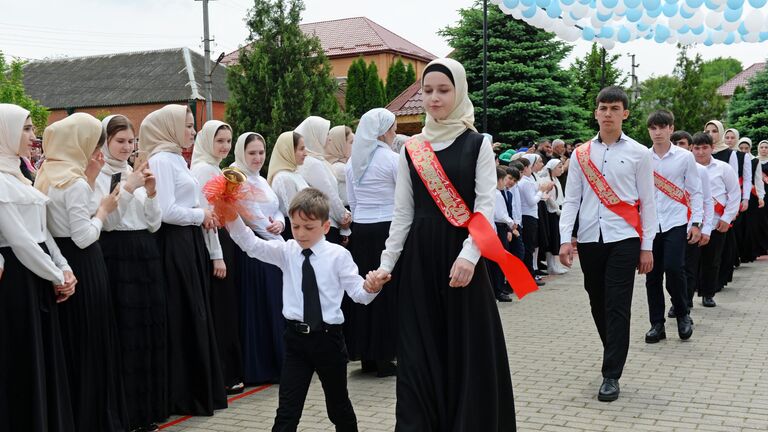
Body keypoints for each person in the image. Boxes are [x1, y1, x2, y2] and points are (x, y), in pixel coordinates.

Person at [367, 58, 517, 430]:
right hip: (419, 260)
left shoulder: (478, 144)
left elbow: (485, 206)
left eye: (443, 90)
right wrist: (387, 264)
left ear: (459, 91)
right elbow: (403, 212)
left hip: (462, 257)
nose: (434, 98)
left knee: (465, 352)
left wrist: (469, 256)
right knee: (418, 353)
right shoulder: (411, 149)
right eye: (428, 90)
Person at [226, 188, 384, 432]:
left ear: (325, 227)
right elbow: (251, 244)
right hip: (295, 342)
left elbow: (359, 295)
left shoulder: (338, 256)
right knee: (287, 411)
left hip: (329, 340)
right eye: (296, 226)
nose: (300, 233)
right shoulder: (287, 251)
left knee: (338, 407)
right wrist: (229, 212)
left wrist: (372, 287)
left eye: (308, 227)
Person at [559, 86, 658, 402]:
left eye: (615, 108)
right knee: (597, 300)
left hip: (624, 237)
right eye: (603, 108)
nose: (608, 114)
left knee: (617, 304)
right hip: (589, 237)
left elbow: (648, 202)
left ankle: (611, 374)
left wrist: (647, 246)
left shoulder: (640, 153)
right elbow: (572, 198)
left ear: (625, 113)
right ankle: (613, 347)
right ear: (596, 112)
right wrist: (564, 239)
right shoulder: (581, 154)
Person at [35, 113, 129, 431]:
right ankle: (97, 417)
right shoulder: (72, 182)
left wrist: (91, 177)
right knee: (92, 342)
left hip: (61, 261)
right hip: (85, 265)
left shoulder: (45, 174)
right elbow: (84, 235)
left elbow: (52, 226)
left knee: (72, 342)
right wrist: (103, 211)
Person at [139, 105, 227, 416]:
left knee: (194, 313)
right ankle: (184, 393)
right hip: (174, 244)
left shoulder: (176, 157)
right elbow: (165, 210)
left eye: (192, 126)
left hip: (188, 241)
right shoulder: (163, 159)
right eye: (188, 126)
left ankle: (197, 389)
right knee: (184, 314)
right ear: (171, 128)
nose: (192, 131)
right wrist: (200, 214)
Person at [0, 103, 76, 432]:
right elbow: (20, 241)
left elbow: (42, 232)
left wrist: (64, 267)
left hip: (38, 274)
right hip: (18, 281)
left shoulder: (20, 175)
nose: (33, 136)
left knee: (41, 358)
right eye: (27, 128)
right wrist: (57, 274)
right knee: (22, 361)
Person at [93, 115, 166, 431]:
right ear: (105, 142)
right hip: (117, 255)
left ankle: (145, 409)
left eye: (131, 141)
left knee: (147, 331)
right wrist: (127, 187)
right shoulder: (99, 175)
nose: (127, 147)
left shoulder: (131, 174)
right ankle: (126, 413)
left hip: (145, 252)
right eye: (120, 141)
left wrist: (150, 193)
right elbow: (107, 221)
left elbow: (153, 223)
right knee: (125, 332)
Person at [343, 108, 399, 377]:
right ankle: (386, 355)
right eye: (394, 128)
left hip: (361, 231)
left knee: (365, 287)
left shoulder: (352, 163)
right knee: (387, 290)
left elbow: (352, 201)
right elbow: (403, 201)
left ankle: (365, 354)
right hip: (387, 229)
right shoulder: (393, 160)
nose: (395, 133)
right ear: (385, 131)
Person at [191, 120, 245, 395]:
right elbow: (207, 216)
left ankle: (228, 372)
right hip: (215, 243)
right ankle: (223, 374)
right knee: (221, 310)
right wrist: (217, 255)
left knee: (227, 308)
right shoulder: (202, 169)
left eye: (228, 141)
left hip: (224, 240)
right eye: (219, 141)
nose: (224, 146)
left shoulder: (216, 168)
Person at [643, 111, 702, 345]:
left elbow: (695, 191)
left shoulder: (684, 157)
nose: (657, 132)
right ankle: (656, 324)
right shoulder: (642, 157)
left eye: (662, 127)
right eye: (653, 128)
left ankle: (682, 313)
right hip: (649, 225)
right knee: (652, 276)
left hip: (676, 221)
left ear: (671, 128)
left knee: (674, 270)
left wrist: (696, 223)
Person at [232, 132, 286, 384]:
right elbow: (250, 214)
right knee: (261, 307)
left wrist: (281, 224)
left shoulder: (261, 179)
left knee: (274, 304)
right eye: (252, 153)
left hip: (272, 246)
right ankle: (263, 366)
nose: (257, 158)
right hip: (255, 251)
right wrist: (276, 238)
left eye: (261, 152)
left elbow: (276, 207)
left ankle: (279, 361)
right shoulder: (237, 177)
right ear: (241, 153)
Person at [689, 132, 740, 308]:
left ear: (712, 148)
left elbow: (734, 194)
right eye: (697, 148)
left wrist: (727, 218)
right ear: (691, 149)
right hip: (691, 223)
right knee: (688, 263)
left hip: (716, 222)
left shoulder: (723, 168)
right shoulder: (687, 168)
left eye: (705, 148)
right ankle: (684, 299)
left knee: (712, 260)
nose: (701, 152)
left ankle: (708, 294)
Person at [670, 130, 713, 318]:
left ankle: (684, 304)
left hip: (691, 226)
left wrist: (706, 228)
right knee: (671, 270)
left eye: (683, 144)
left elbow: (707, 200)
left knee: (688, 269)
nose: (680, 147)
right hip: (670, 227)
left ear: (689, 146)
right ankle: (677, 301)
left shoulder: (701, 170)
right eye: (676, 144)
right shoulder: (663, 169)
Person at [295, 117, 352, 244]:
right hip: (326, 226)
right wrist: (344, 217)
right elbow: (328, 194)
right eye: (326, 134)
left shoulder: (317, 160)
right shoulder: (312, 163)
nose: (329, 138)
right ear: (315, 136)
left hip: (327, 223)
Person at [268, 131, 309, 240]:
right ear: (289, 151)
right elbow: (294, 213)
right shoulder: (283, 177)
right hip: (294, 233)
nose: (305, 153)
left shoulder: (293, 173)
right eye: (301, 149)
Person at [537, 159, 568, 275]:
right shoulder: (546, 180)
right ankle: (551, 265)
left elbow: (560, 196)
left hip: (557, 211)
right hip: (551, 212)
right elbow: (549, 198)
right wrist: (557, 209)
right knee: (552, 239)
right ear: (552, 168)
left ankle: (555, 265)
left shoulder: (556, 180)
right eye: (559, 167)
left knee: (556, 239)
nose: (561, 169)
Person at [491, 166, 516, 302]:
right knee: (500, 260)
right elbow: (500, 215)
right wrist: (511, 223)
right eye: (504, 179)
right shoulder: (496, 193)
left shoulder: (494, 192)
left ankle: (497, 289)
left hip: (499, 227)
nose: (505, 183)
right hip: (500, 227)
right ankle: (499, 290)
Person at [325, 125, 354, 207]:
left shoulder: (344, 164)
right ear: (340, 144)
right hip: (347, 212)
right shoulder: (339, 167)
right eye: (351, 142)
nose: (355, 146)